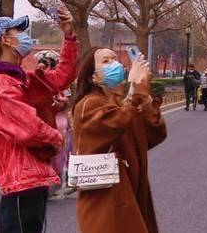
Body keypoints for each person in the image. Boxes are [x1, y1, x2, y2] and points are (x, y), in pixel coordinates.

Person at [0, 10, 79, 233]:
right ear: (4, 40)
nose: (24, 35)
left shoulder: (19, 77)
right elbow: (28, 127)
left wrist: (69, 36)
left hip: (32, 178)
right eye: (17, 31)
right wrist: (56, 138)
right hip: (20, 181)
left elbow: (61, 77)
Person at [71, 47, 167, 233]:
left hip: (129, 195)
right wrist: (136, 93)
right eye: (106, 61)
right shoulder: (88, 104)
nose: (115, 65)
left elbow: (156, 133)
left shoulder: (121, 107)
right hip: (105, 201)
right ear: (93, 77)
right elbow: (116, 121)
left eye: (116, 59)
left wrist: (144, 93)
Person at [34, 51, 73, 202]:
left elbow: (67, 101)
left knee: (58, 153)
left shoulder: (60, 81)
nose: (43, 68)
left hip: (58, 121)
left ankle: (56, 183)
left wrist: (60, 103)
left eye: (46, 64)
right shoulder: (35, 80)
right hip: (41, 120)